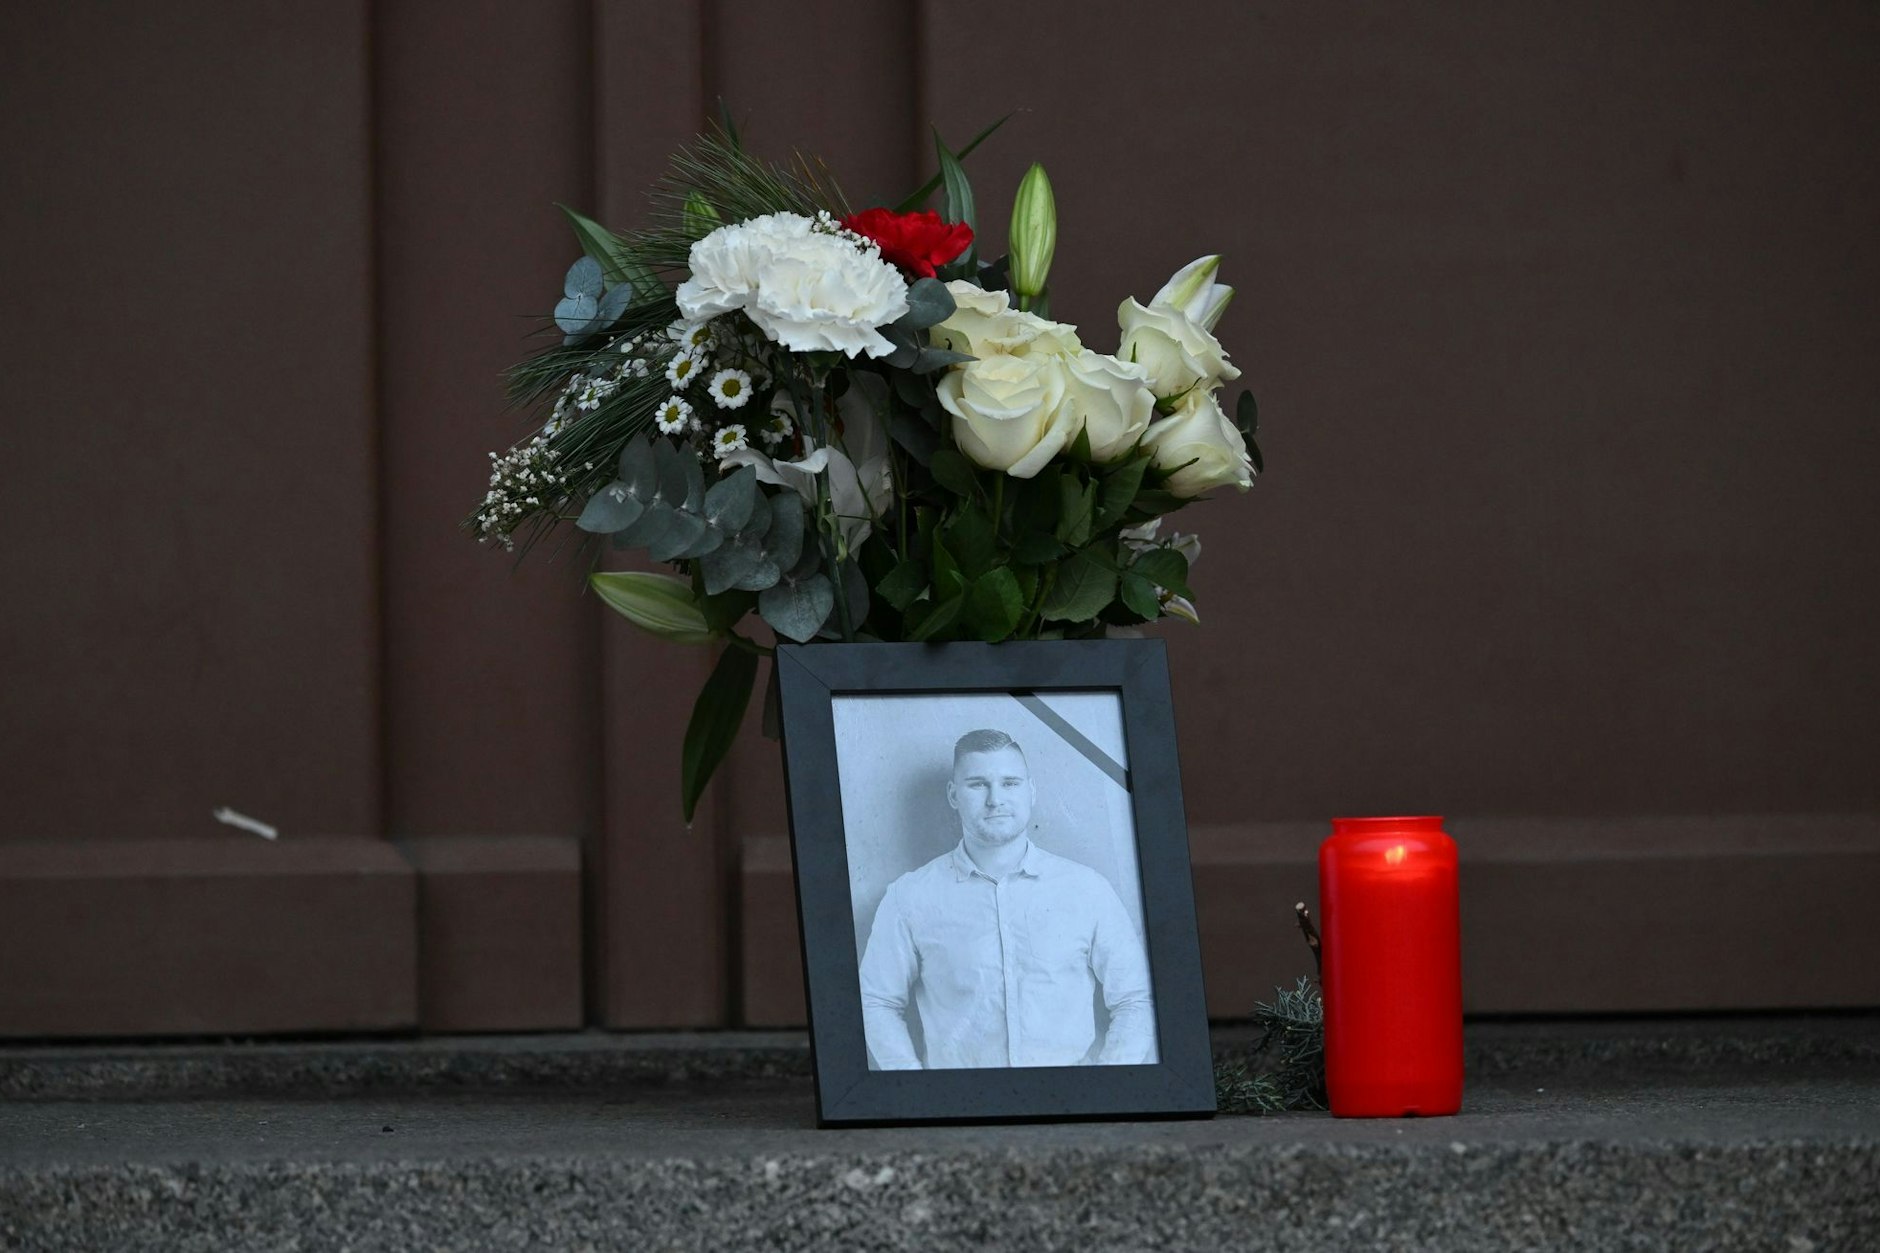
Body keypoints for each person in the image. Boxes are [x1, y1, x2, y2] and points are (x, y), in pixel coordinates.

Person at [858, 728, 1156, 1069]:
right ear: (953, 795)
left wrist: (1106, 1084)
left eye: (1010, 783)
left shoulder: (1088, 890)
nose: (995, 799)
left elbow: (1136, 999)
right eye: (977, 784)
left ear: (1031, 791)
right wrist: (914, 1086)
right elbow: (876, 1002)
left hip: (1073, 1096)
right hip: (958, 1098)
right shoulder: (909, 896)